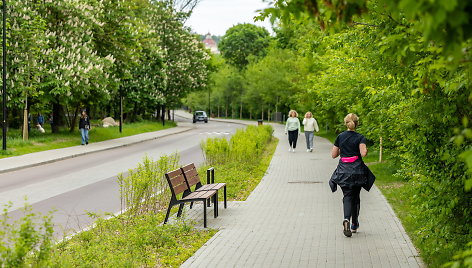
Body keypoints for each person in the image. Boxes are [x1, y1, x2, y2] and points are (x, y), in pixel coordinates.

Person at [329, 113, 375, 237]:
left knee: (347, 196)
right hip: (357, 171)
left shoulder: (340, 136)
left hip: (343, 171)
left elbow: (333, 155)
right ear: (357, 123)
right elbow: (363, 153)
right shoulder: (360, 137)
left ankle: (346, 219)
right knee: (356, 196)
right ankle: (354, 224)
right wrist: (365, 150)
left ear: (346, 123)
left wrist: (342, 150)